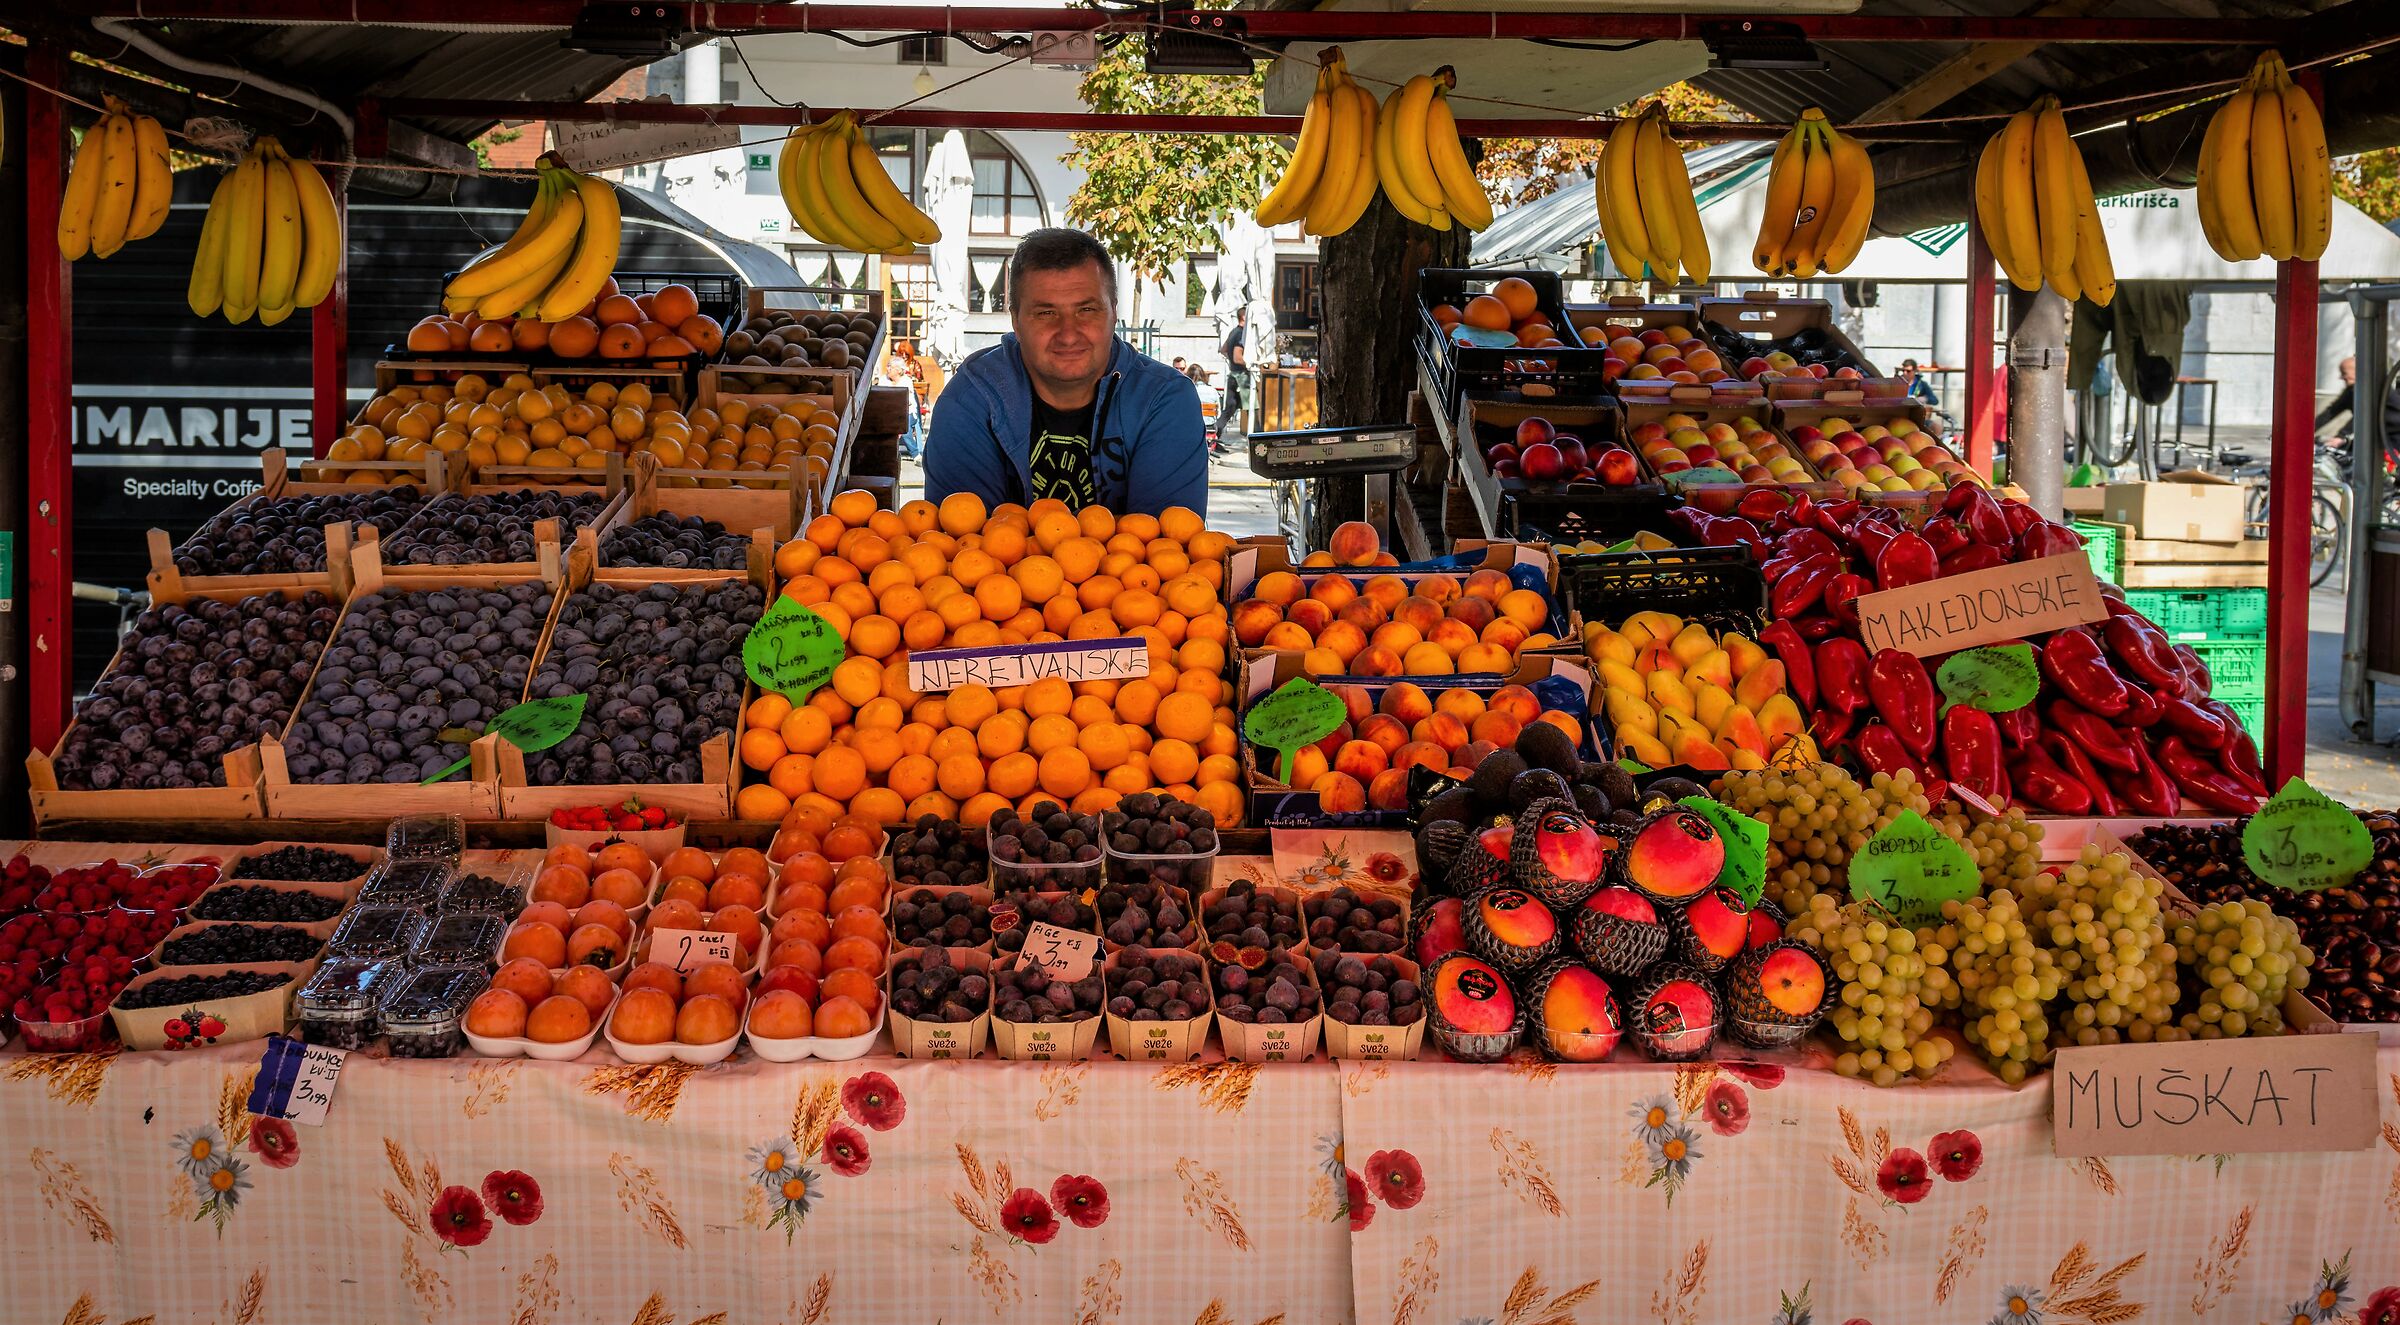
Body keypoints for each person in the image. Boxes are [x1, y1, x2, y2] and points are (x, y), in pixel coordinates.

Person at [924, 227, 1208, 516]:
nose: (1068, 334)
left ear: (1114, 312)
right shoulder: (971, 399)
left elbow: (1168, 544)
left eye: (1086, 310)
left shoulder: (1164, 398)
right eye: (1046, 313)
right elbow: (963, 541)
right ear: (1016, 321)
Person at [878, 341, 925, 461]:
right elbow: (881, 398)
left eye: (891, 367)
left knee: (904, 427)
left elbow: (908, 401)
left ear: (899, 370)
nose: (887, 369)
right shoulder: (883, 380)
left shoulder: (906, 380)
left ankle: (915, 454)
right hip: (888, 412)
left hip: (907, 411)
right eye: (888, 366)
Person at [1216, 306, 1252, 456]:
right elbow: (1238, 357)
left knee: (1230, 408)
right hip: (1241, 377)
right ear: (1244, 317)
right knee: (1252, 409)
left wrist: (1231, 360)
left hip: (1233, 375)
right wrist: (1250, 361)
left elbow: (1224, 349)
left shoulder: (1233, 332)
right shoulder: (1241, 335)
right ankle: (1255, 440)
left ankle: (1215, 435)